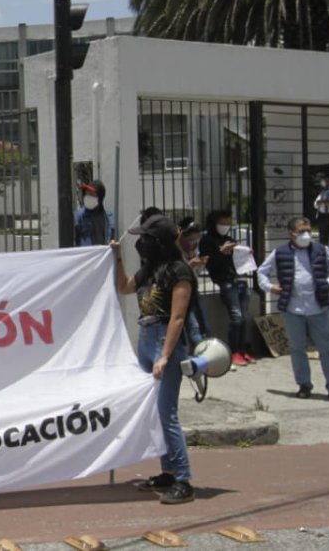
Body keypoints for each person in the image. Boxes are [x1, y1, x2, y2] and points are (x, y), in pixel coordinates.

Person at [109, 214, 196, 504]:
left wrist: (165, 356)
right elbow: (124, 287)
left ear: (159, 242)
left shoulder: (179, 271)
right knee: (154, 414)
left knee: (166, 413)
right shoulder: (150, 270)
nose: (141, 243)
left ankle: (183, 479)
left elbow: (178, 316)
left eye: (146, 238)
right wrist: (116, 258)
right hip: (146, 339)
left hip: (163, 342)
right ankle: (167, 471)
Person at [257, 217, 329, 403]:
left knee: (326, 349)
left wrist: (327, 283)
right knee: (297, 348)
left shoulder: (321, 250)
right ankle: (304, 385)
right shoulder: (280, 252)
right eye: (301, 231)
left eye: (308, 230)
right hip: (293, 309)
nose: (306, 234)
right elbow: (262, 271)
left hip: (318, 307)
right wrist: (269, 287)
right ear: (291, 233)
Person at [200, 210, 253, 366]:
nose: (225, 226)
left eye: (228, 222)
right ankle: (234, 351)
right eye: (222, 222)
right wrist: (220, 252)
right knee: (236, 317)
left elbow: (236, 260)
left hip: (240, 280)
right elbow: (208, 263)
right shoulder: (207, 240)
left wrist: (245, 253)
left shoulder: (229, 239)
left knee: (245, 318)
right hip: (226, 282)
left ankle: (243, 350)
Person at [175, 216, 208, 348]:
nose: (193, 242)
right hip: (182, 295)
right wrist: (190, 264)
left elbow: (195, 275)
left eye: (196, 239)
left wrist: (200, 264)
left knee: (203, 324)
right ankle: (205, 355)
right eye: (190, 239)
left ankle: (207, 352)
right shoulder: (176, 252)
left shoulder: (194, 252)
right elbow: (177, 274)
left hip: (193, 293)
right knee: (193, 327)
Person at [75, 180, 116, 246]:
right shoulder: (79, 216)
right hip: (87, 255)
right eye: (86, 194)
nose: (87, 197)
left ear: (100, 198)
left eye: (91, 194)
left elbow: (113, 239)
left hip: (103, 255)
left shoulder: (110, 218)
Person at [314, 175, 329, 246]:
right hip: (322, 216)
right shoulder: (322, 191)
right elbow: (316, 204)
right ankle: (323, 249)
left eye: (325, 180)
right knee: (322, 236)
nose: (323, 182)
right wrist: (323, 202)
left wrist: (324, 202)